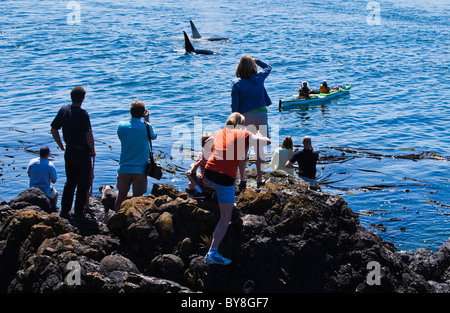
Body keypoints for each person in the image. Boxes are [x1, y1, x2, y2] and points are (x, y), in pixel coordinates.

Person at [204, 112, 271, 265]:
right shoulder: (245, 134)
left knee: (227, 181)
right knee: (225, 218)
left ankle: (216, 195)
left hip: (208, 174)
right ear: (241, 124)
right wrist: (258, 133)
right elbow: (267, 142)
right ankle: (212, 253)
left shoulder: (219, 132)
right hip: (223, 179)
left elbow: (207, 142)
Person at [51, 86, 95, 219]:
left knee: (70, 182)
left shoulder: (64, 110)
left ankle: (64, 210)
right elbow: (88, 134)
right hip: (82, 152)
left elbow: (54, 129)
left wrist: (61, 146)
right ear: (83, 98)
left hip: (69, 151)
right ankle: (79, 212)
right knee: (83, 182)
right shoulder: (83, 114)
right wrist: (92, 150)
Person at [231, 55, 272, 189]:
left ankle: (242, 179)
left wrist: (235, 121)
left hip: (244, 117)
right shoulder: (259, 78)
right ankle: (260, 179)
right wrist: (256, 60)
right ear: (253, 67)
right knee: (259, 149)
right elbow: (268, 67)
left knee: (243, 150)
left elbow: (234, 107)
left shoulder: (236, 84)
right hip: (261, 114)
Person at [114, 100, 157, 212]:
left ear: (130, 111)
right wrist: (147, 121)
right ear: (143, 113)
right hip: (140, 169)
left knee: (121, 196)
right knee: (138, 198)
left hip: (124, 167)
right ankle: (135, 220)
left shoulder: (121, 126)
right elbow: (154, 136)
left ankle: (116, 217)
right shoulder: (146, 127)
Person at [186, 133, 214, 199]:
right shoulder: (216, 155)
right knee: (190, 184)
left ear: (201, 145)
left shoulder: (202, 156)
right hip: (217, 184)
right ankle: (211, 193)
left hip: (206, 183)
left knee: (188, 174)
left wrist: (192, 165)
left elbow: (193, 171)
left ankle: (200, 192)